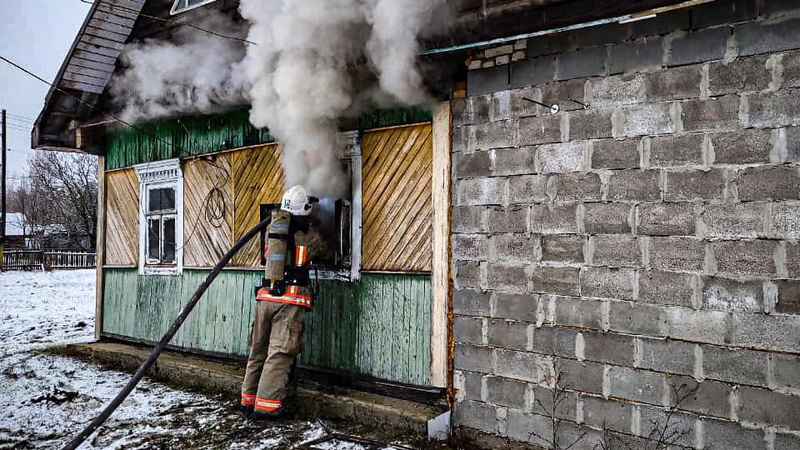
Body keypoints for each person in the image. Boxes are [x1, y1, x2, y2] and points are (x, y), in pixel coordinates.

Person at [239, 185, 327, 420]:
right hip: (288, 301)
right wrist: (317, 228)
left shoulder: (275, 227)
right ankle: (267, 408)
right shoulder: (303, 235)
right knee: (279, 353)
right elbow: (319, 248)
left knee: (258, 350)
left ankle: (248, 401)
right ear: (305, 209)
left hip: (265, 297)